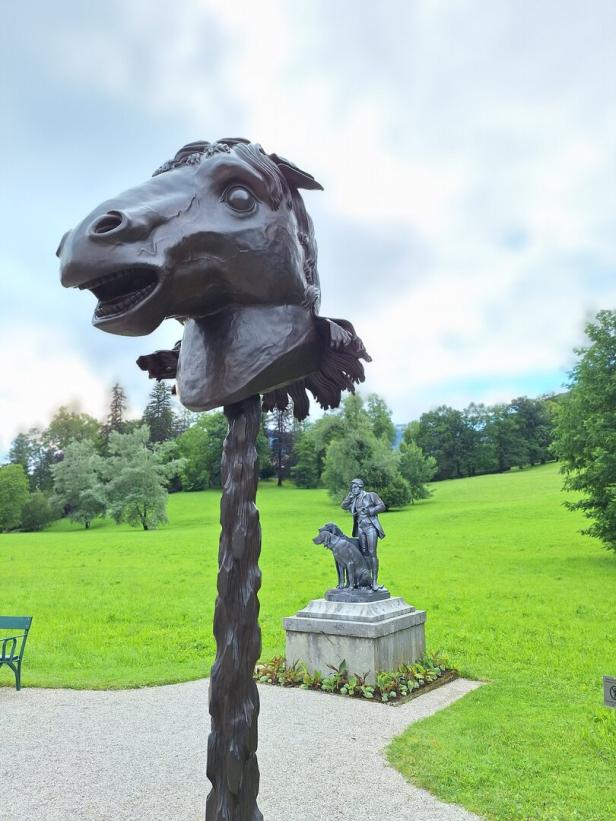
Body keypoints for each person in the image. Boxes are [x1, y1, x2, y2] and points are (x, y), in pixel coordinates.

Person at [341, 479, 385, 590]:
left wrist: (370, 510)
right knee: (364, 554)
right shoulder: (354, 499)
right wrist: (349, 497)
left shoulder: (371, 495)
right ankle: (366, 580)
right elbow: (343, 506)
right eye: (352, 488)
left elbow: (382, 506)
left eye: (355, 487)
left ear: (360, 487)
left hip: (370, 527)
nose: (353, 489)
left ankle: (374, 581)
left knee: (372, 553)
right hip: (360, 528)